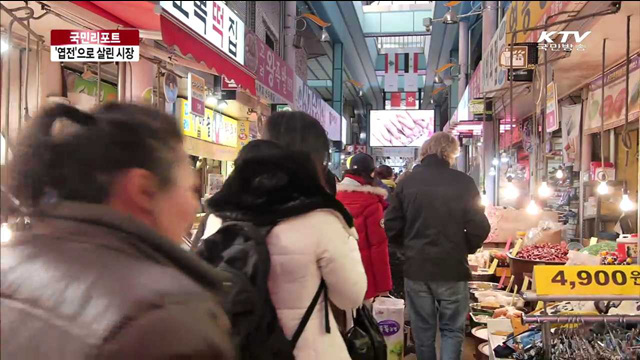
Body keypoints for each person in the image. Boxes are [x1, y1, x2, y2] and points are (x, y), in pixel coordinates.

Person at [1, 103, 234, 359]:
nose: (193, 206)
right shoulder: (164, 323)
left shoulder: (10, 261)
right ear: (144, 190)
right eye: (191, 190)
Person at [195, 111, 367, 360]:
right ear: (316, 160)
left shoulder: (218, 216)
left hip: (238, 349)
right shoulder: (322, 219)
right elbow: (350, 296)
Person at [385, 132, 490, 360]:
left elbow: (391, 225)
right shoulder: (464, 183)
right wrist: (464, 248)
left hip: (417, 268)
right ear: (450, 153)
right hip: (452, 268)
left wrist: (408, 248)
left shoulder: (406, 183)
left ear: (425, 152)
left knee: (423, 332)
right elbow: (480, 227)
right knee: (452, 330)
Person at [336, 153, 393, 302]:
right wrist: (384, 287)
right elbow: (378, 246)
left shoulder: (333, 198)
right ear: (371, 173)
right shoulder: (372, 203)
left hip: (337, 272)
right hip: (364, 275)